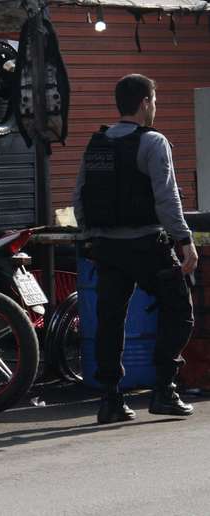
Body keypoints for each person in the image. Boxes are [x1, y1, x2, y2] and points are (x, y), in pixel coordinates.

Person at [73, 73, 198, 425]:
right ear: (145, 103)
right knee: (179, 311)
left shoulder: (97, 143)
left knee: (110, 320)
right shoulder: (154, 142)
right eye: (154, 100)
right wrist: (184, 240)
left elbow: (78, 197)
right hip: (147, 246)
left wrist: (91, 237)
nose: (155, 106)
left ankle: (110, 400)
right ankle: (164, 390)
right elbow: (167, 199)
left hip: (107, 248)